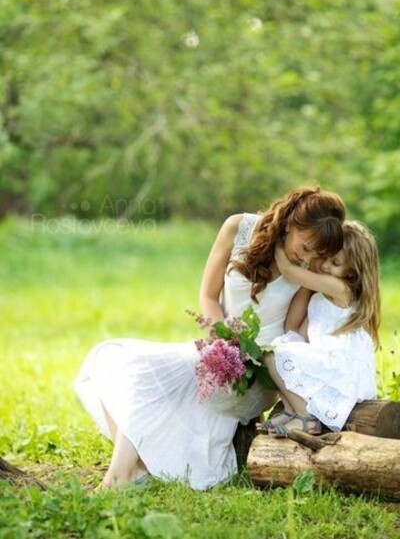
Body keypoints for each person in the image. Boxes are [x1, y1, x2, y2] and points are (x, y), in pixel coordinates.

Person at [74, 185, 346, 490]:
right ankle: (132, 471)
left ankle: (119, 478)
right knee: (119, 361)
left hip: (259, 373)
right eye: (305, 245)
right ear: (292, 222)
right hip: (220, 350)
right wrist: (224, 342)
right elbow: (208, 296)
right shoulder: (238, 227)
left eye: (314, 253)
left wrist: (293, 273)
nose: (306, 256)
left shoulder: (306, 270)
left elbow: (292, 334)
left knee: (156, 377)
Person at [257, 220, 381, 436]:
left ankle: (306, 417)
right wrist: (309, 282)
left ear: (351, 272)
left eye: (335, 263)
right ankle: (291, 410)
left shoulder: (341, 289)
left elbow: (288, 270)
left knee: (272, 355)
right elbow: (293, 329)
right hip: (324, 355)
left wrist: (275, 238)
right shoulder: (320, 295)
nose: (324, 265)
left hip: (340, 363)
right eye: (324, 257)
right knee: (281, 348)